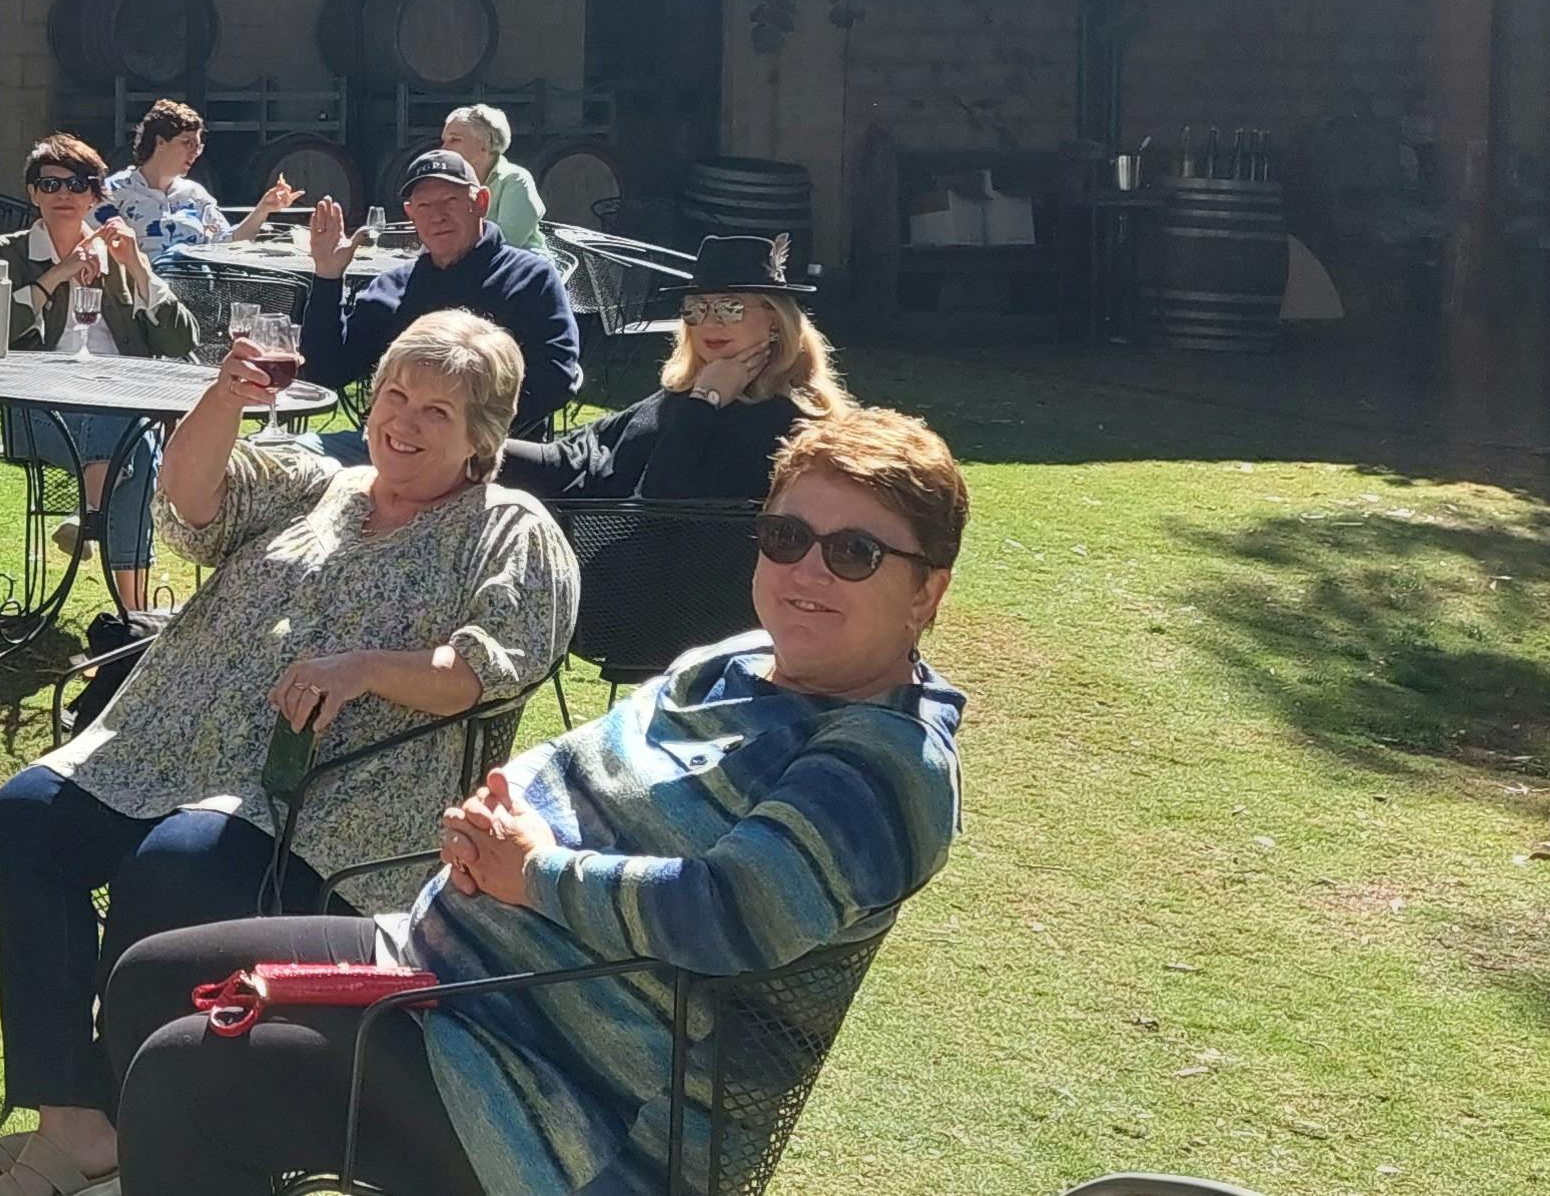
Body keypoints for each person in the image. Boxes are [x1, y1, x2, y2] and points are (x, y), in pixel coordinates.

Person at [93, 405, 973, 1196]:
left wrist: (533, 871)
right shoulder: (741, 660)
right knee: (152, 982)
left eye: (853, 553)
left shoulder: (882, 765)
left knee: (188, 1075)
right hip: (461, 976)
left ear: (925, 591)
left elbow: (728, 915)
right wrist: (491, 825)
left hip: (571, 1099)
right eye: (786, 537)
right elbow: (586, 767)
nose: (807, 570)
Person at [0, 313, 579, 1196]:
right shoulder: (324, 483)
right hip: (163, 748)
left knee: (174, 867)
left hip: (333, 795)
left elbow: (483, 671)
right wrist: (225, 396)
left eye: (437, 412)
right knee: (25, 820)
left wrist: (364, 668)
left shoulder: (508, 527)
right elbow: (191, 499)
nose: (403, 421)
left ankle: (130, 1125)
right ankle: (79, 1117)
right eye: (395, 395)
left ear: (483, 437)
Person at [0, 134, 200, 614]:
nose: (64, 194)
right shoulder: (9, 251)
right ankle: (134, 611)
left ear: (95, 196)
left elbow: (181, 341)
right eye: (50, 184)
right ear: (33, 193)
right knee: (133, 438)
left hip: (116, 405)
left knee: (135, 444)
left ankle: (101, 544)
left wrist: (137, 267)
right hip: (37, 412)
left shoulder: (117, 255)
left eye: (78, 184)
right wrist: (57, 274)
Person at [495, 235, 845, 504]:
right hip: (576, 510)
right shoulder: (682, 394)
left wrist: (706, 401)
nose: (709, 322)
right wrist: (476, 451)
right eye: (696, 308)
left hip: (633, 565)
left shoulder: (786, 423)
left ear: (775, 322)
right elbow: (577, 453)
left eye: (730, 307)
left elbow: (663, 497)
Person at [302, 150, 587, 447]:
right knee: (288, 456)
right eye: (424, 205)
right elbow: (327, 371)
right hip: (388, 445)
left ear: (481, 202)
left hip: (489, 451)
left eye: (450, 201)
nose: (437, 216)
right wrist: (328, 276)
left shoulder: (529, 278)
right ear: (411, 213)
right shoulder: (393, 287)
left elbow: (556, 379)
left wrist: (458, 430)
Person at [103, 100, 292, 265]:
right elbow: (95, 245)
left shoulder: (195, 195)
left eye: (198, 146)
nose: (195, 153)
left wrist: (263, 209)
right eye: (188, 143)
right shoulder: (115, 191)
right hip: (141, 288)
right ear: (160, 142)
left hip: (195, 285)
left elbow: (228, 244)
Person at [442, 107, 547, 261]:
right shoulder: (450, 183)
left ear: (485, 144)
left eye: (454, 140)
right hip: (468, 266)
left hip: (522, 269)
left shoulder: (515, 180)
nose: (444, 149)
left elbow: (506, 242)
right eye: (444, 141)